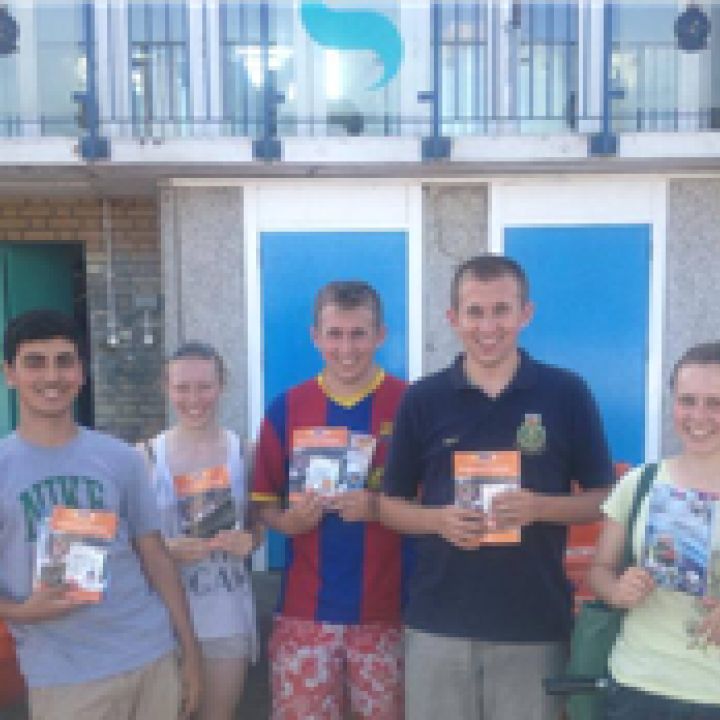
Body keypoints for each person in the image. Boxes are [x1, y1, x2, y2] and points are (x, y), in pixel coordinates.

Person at [379, 254, 613, 720]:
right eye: (475, 312)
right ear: (453, 318)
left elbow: (605, 498)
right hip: (438, 623)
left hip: (532, 624)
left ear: (526, 313)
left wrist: (538, 507)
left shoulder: (566, 393)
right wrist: (437, 520)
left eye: (501, 310)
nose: (488, 326)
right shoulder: (422, 399)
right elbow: (389, 507)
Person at [0, 309, 201, 720]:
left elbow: (155, 557)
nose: (51, 377)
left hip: (150, 655)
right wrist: (22, 613)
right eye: (34, 362)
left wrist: (191, 651)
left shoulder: (119, 458)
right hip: (64, 676)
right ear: (10, 374)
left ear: (82, 373)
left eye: (64, 361)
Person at [251, 280, 407, 720]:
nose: (346, 348)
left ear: (381, 335)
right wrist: (289, 523)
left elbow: (433, 505)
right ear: (315, 337)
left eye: (358, 334)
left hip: (388, 613)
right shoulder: (286, 407)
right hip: (305, 614)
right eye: (334, 334)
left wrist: (377, 507)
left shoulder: (410, 404)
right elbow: (263, 503)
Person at [589, 341, 720, 719]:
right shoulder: (639, 482)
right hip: (639, 685)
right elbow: (600, 570)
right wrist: (617, 590)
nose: (699, 415)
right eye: (688, 400)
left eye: (715, 403)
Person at [141, 342, 261, 720]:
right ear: (166, 388)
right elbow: (124, 545)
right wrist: (166, 551)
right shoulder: (142, 457)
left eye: (204, 386)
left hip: (225, 614)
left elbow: (261, 523)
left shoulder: (245, 453)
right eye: (182, 388)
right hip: (158, 619)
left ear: (221, 385)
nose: (194, 399)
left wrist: (251, 540)